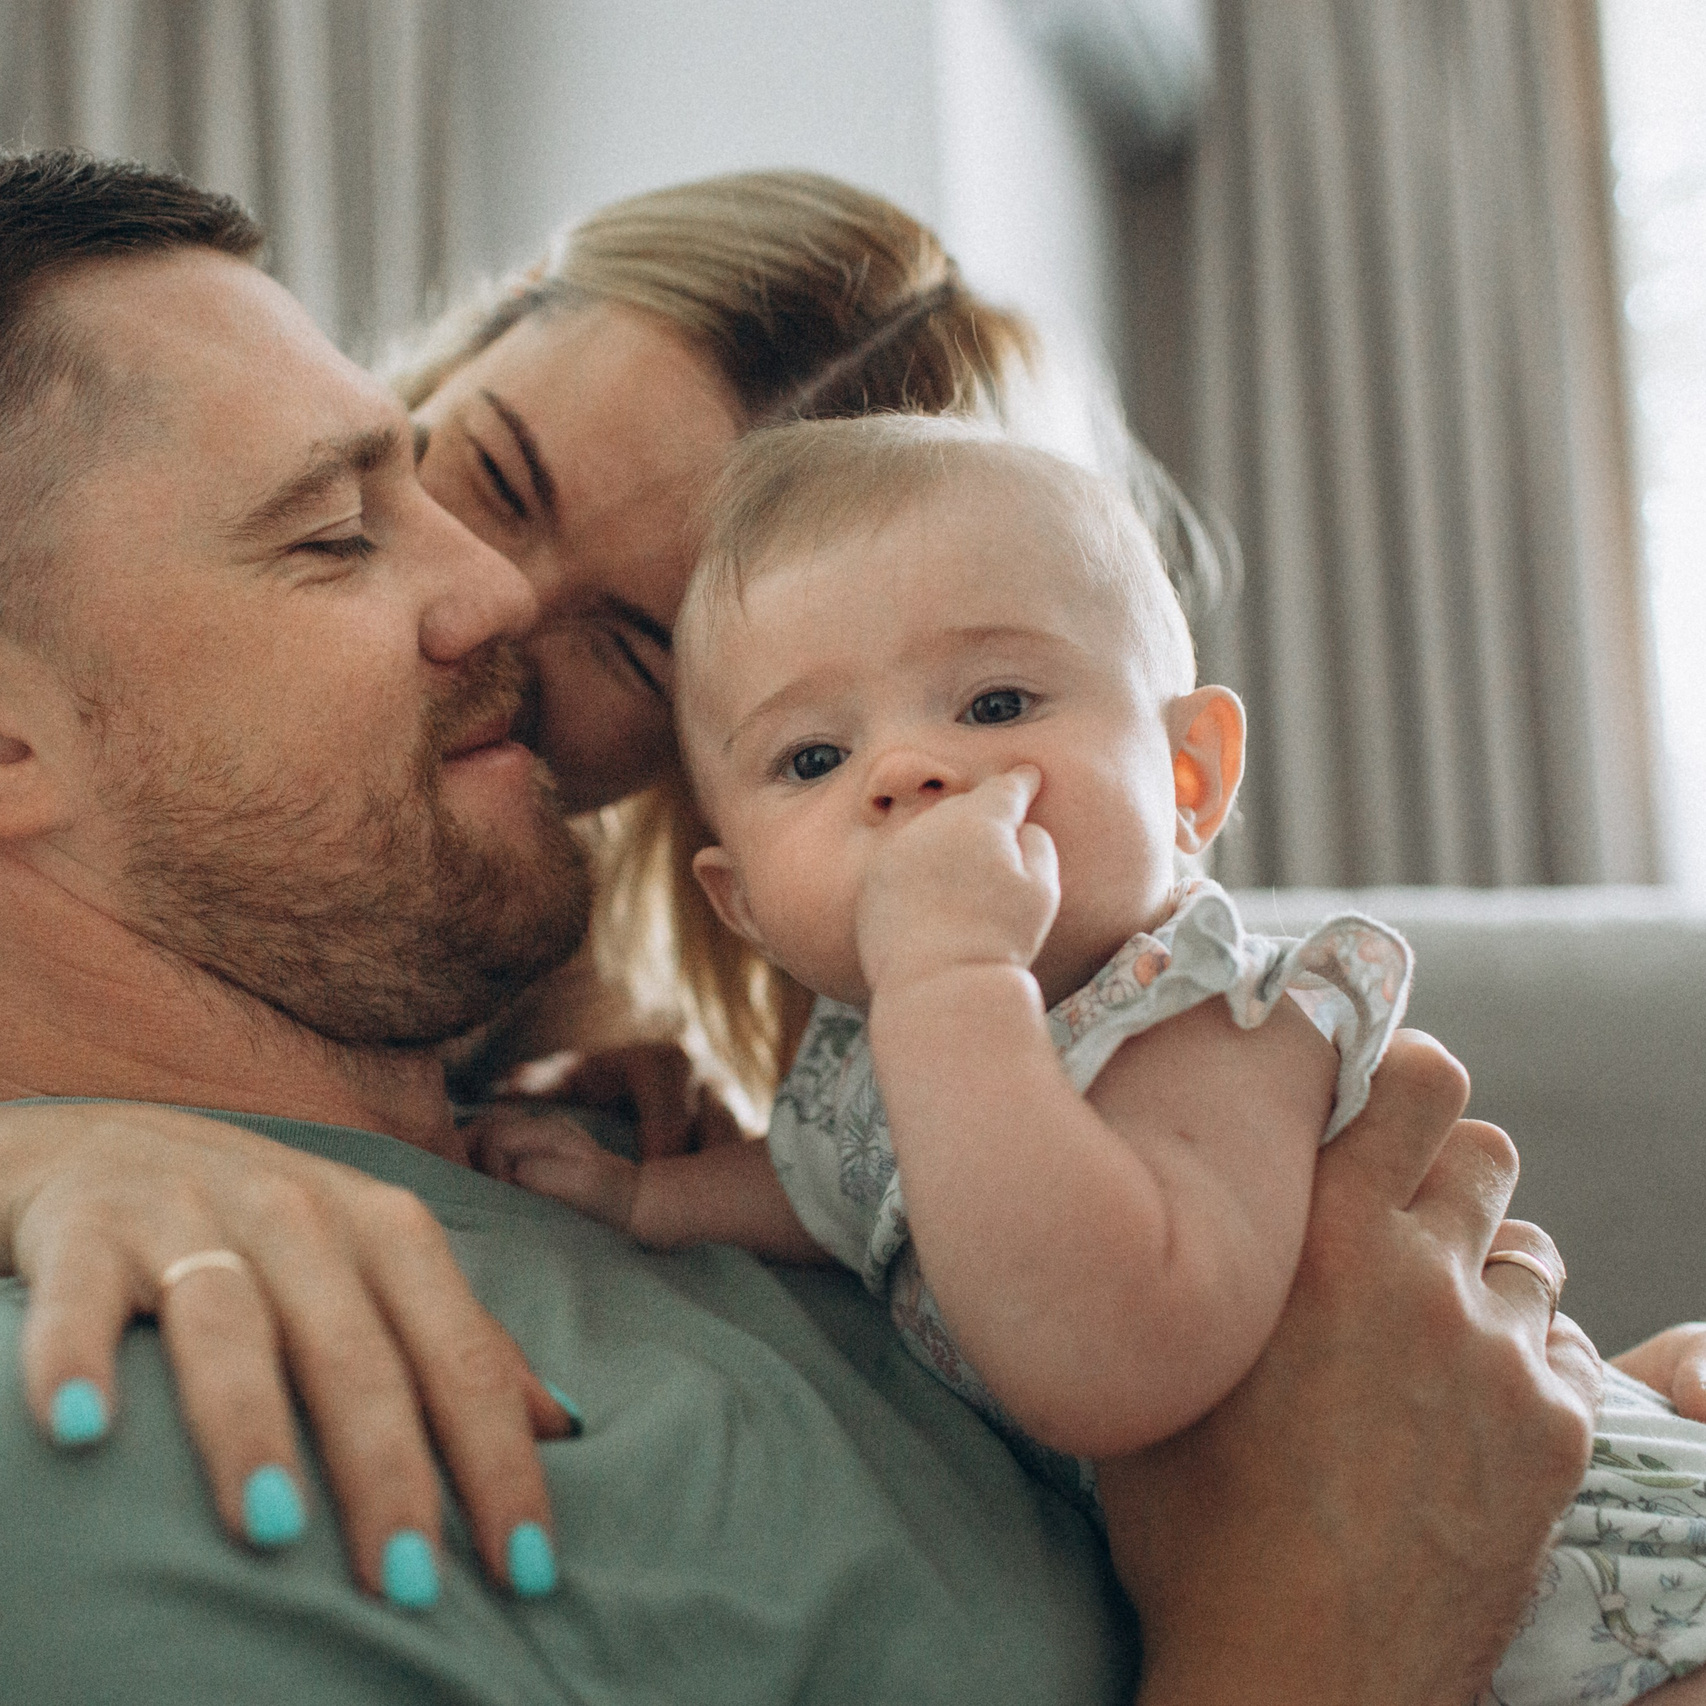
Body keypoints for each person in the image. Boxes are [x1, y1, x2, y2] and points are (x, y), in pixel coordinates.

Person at [0, 148, 1657, 1701]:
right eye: (344, 520)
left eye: (649, 647)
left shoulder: (737, 1125)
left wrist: (1568, 1456)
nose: (497, 591)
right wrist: (1326, 1623)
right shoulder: (135, 1381)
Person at [482, 414, 1706, 1705]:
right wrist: (647, 1199)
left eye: (995, 702)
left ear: (1189, 775)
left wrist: (955, 985)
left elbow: (1109, 1358)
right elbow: (854, 1185)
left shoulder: (1203, 1017)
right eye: (813, 757)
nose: (907, 771)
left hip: (1597, 1593)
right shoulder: (878, 1043)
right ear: (744, 905)